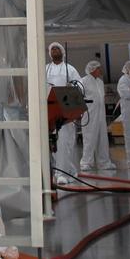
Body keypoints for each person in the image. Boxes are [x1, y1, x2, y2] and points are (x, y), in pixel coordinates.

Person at [46, 42, 82, 184]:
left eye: (57, 48)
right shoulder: (46, 69)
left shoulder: (69, 69)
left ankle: (65, 173)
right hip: (50, 109)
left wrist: (72, 86)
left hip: (66, 110)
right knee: (53, 143)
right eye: (52, 49)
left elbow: (79, 84)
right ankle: (61, 170)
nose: (54, 50)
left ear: (62, 52)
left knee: (65, 142)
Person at [79, 60, 115, 174]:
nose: (101, 70)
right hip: (89, 114)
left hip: (100, 114)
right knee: (89, 138)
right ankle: (86, 162)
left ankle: (104, 162)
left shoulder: (99, 82)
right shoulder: (83, 81)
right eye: (99, 68)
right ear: (92, 69)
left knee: (102, 138)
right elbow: (78, 97)